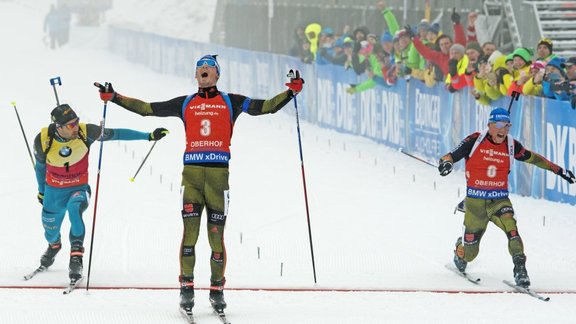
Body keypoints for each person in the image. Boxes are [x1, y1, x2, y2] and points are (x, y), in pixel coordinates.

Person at [94, 54, 304, 313]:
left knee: (216, 238)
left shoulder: (231, 101)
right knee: (190, 236)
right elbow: (147, 108)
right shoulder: (185, 103)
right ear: (195, 75)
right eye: (200, 68)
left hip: (218, 179)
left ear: (217, 75)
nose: (204, 70)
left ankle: (217, 290)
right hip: (191, 177)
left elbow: (266, 106)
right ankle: (186, 288)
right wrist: (115, 97)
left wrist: (290, 93)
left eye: (209, 67)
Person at [438, 107, 575, 288]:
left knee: (512, 230)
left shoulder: (511, 145)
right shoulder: (475, 140)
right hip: (476, 204)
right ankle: (460, 250)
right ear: (490, 125)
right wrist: (446, 163)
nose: (504, 130)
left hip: (499, 200)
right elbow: (450, 155)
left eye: (507, 125)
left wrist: (558, 170)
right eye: (500, 125)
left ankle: (520, 270)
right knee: (470, 254)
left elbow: (533, 158)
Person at [33, 104, 168, 282]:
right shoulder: (44, 139)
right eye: (71, 125)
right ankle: (54, 245)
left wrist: (148, 136)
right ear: (59, 127)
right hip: (53, 191)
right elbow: (40, 167)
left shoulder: (86, 132)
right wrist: (42, 192)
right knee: (50, 230)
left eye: (77, 121)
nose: (76, 126)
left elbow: (117, 134)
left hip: (78, 188)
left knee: (75, 210)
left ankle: (76, 256)